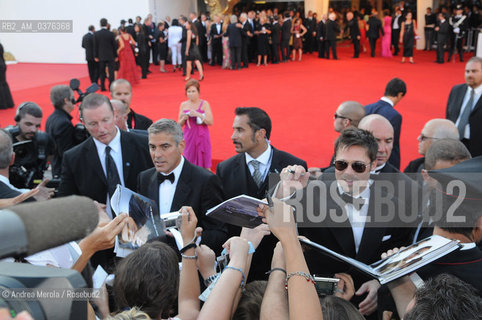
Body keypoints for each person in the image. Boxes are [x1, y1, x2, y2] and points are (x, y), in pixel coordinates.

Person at [275, 128, 412, 318]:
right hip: (317, 304)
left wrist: (380, 285)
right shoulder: (311, 195)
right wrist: (284, 191)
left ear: (373, 165)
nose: (348, 173)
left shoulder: (396, 207)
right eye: (341, 164)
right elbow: (280, 228)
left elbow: (399, 253)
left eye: (358, 166)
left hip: (369, 308)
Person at [57, 93, 152, 270]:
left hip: (144, 237)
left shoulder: (144, 144)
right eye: (93, 124)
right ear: (83, 123)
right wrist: (85, 207)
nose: (101, 129)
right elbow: (64, 202)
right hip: (99, 245)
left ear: (115, 116)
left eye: (105, 120)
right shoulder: (73, 158)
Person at [216, 107, 307, 280]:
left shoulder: (294, 165)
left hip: (281, 268)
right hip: (242, 269)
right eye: (233, 129)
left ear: (260, 133)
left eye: (240, 130)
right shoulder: (225, 169)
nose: (232, 136)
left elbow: (301, 219)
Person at [137, 119, 227, 254]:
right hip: (151, 263)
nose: (157, 154)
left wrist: (192, 238)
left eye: (165, 146)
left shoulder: (205, 181)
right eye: (153, 147)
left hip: (189, 264)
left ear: (181, 146)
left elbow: (219, 234)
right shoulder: (144, 178)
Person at [5, 102, 54, 189]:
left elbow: (51, 157)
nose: (33, 130)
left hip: (35, 189)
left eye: (37, 125)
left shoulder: (44, 140)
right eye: (28, 124)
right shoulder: (4, 140)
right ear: (17, 120)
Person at [0, 129, 53, 202]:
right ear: (12, 158)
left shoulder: (19, 196)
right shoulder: (21, 201)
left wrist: (32, 194)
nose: (33, 129)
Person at [365, 77, 406, 169]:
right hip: (381, 163)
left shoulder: (366, 108)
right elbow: (392, 144)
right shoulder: (395, 115)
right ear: (400, 94)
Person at [446, 57, 482, 157]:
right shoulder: (456, 90)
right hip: (454, 143)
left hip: (477, 148)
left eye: (474, 71)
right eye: (467, 71)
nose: (469, 75)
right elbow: (449, 116)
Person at [177, 79, 213, 169]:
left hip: (202, 136)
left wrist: (199, 115)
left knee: (205, 160)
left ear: (198, 92)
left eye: (193, 91)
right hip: (189, 136)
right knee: (189, 158)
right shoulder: (183, 105)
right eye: (189, 91)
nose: (191, 94)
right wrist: (183, 118)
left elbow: (210, 122)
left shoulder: (204, 104)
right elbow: (178, 125)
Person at [45, 85, 78, 178]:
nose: (75, 100)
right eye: (72, 98)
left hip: (56, 167)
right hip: (63, 171)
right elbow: (66, 152)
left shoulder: (52, 118)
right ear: (66, 100)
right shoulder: (64, 123)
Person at [94, 18, 117, 91]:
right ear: (107, 24)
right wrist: (116, 55)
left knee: (102, 72)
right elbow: (114, 46)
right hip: (110, 56)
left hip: (101, 56)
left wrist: (95, 56)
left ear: (100, 24)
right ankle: (111, 87)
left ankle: (103, 87)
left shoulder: (96, 34)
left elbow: (95, 46)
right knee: (111, 72)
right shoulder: (110, 34)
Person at [0, 43, 14, 110]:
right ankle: (9, 103)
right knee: (4, 83)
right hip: (2, 64)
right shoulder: (0, 44)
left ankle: (2, 104)